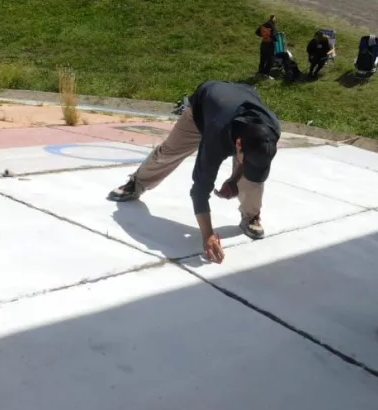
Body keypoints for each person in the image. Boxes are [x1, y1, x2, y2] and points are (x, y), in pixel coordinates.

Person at [108, 80, 281, 263]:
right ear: (238, 144)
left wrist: (234, 179)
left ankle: (251, 215)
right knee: (169, 152)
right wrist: (207, 235)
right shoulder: (217, 135)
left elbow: (253, 162)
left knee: (253, 178)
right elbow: (199, 190)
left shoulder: (271, 132)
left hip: (239, 100)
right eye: (247, 161)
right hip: (202, 109)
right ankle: (136, 183)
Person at [255, 14, 278, 79]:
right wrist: (275, 39)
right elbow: (274, 36)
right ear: (273, 20)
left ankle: (260, 72)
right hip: (270, 45)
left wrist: (264, 36)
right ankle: (266, 74)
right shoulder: (272, 26)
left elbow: (257, 32)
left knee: (262, 59)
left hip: (263, 43)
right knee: (271, 60)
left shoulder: (263, 25)